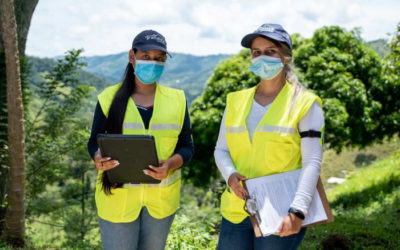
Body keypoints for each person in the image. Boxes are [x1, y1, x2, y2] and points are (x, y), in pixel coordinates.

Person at [214, 23, 324, 250]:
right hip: (238, 208)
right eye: (257, 53)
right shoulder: (235, 101)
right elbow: (221, 150)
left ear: (285, 56)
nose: (262, 57)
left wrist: (298, 211)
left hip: (282, 210)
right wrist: (230, 174)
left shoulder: (305, 104)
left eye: (270, 51)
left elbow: (312, 161)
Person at [87, 29, 194, 250]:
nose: (152, 63)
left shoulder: (178, 100)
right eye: (146, 57)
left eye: (159, 59)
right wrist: (97, 157)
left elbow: (186, 146)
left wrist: (171, 164)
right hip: (118, 199)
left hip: (161, 202)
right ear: (132, 56)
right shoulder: (108, 98)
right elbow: (93, 142)